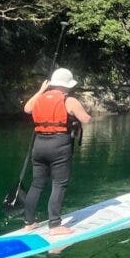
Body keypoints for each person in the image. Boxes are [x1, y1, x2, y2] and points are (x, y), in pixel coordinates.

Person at [22, 68, 91, 235]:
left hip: (39, 146)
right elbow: (86, 119)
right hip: (59, 146)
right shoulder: (69, 100)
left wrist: (40, 91)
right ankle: (55, 225)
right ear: (67, 85)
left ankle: (29, 223)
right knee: (59, 184)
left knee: (37, 183)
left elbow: (27, 109)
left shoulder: (38, 99)